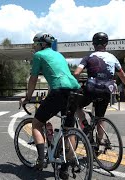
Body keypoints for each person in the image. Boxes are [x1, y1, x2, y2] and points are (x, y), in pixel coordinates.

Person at [19, 32, 80, 178]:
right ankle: (66, 166)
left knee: (37, 124)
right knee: (69, 129)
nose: (34, 46)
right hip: (75, 89)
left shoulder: (39, 56)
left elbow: (33, 79)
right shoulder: (59, 55)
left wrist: (27, 97)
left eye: (35, 43)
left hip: (59, 91)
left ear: (41, 44)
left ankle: (41, 160)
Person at [74, 32, 125, 141]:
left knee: (76, 106)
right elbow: (123, 75)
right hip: (107, 89)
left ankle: (85, 126)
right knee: (100, 118)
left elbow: (77, 73)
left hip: (92, 89)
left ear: (93, 44)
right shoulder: (113, 58)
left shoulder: (88, 57)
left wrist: (76, 86)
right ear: (106, 44)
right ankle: (98, 145)